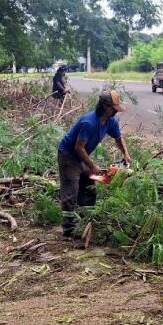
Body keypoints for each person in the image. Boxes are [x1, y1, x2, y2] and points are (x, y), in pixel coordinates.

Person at [57, 90, 132, 238]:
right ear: (105, 106)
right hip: (68, 156)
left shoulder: (110, 121)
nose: (115, 112)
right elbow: (78, 147)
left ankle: (87, 219)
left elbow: (118, 138)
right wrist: (92, 165)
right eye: (114, 109)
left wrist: (126, 154)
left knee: (89, 185)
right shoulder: (89, 122)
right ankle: (69, 229)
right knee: (71, 189)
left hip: (81, 157)